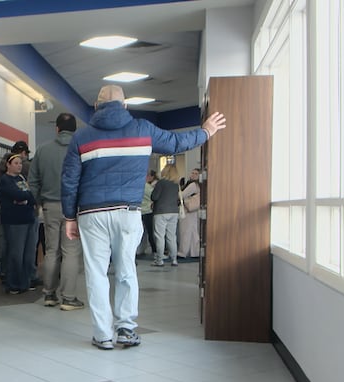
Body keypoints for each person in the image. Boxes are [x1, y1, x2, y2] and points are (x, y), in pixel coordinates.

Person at [61, 84, 225, 351]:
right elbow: (177, 142)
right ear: (125, 106)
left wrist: (70, 217)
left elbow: (69, 180)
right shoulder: (143, 129)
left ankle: (102, 335)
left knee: (96, 274)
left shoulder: (82, 137)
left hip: (92, 215)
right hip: (128, 213)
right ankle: (126, 329)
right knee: (126, 270)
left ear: (95, 107)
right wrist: (206, 131)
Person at [28, 113, 84, 310]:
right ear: (75, 130)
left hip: (49, 206)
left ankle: (49, 294)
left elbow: (33, 181)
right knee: (70, 252)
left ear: (57, 129)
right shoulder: (81, 149)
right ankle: (68, 298)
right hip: (74, 208)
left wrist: (37, 203)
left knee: (52, 250)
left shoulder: (42, 150)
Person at [0, 154, 36, 294]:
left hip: (28, 218)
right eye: (16, 163)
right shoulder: (5, 180)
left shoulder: (21, 178)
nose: (19, 165)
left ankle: (26, 282)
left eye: (20, 163)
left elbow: (31, 197)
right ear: (8, 165)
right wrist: (23, 198)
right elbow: (17, 195)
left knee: (28, 253)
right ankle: (13, 283)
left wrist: (25, 199)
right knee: (16, 253)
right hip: (14, 221)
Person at [151, 165, 182, 267]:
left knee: (160, 236)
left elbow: (154, 196)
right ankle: (174, 259)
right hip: (173, 211)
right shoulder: (176, 184)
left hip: (161, 211)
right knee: (172, 236)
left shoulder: (161, 183)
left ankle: (159, 260)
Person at [178, 168, 201, 259]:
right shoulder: (201, 185)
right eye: (192, 172)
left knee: (185, 230)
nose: (193, 175)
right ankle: (195, 251)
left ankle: (183, 252)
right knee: (194, 230)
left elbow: (182, 195)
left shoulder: (192, 185)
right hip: (196, 209)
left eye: (196, 173)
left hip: (188, 210)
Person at [139, 169, 158, 257]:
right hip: (148, 210)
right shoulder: (147, 187)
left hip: (140, 210)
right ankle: (154, 250)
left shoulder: (139, 185)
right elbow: (154, 196)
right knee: (150, 232)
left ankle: (140, 249)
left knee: (141, 232)